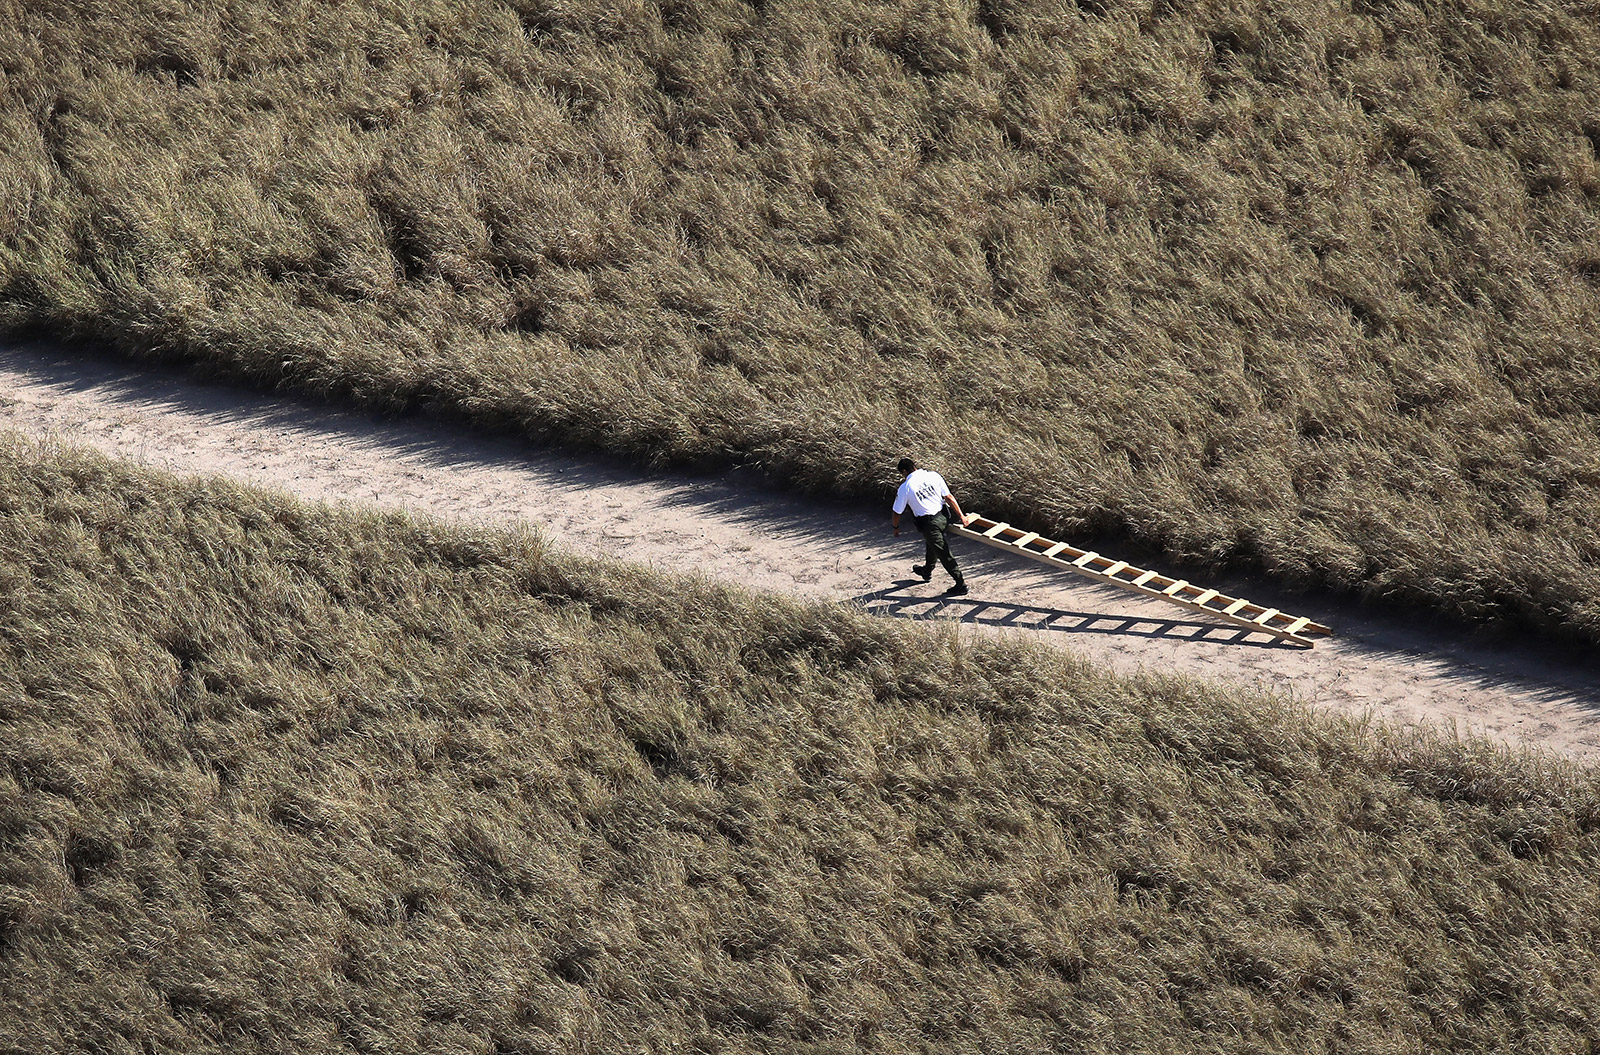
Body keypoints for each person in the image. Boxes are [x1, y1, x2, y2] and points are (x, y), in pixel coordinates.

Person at [891, 457, 968, 596]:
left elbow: (897, 512)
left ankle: (960, 584)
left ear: (903, 471)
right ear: (914, 465)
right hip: (943, 517)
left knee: (943, 553)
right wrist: (961, 516)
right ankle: (926, 571)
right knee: (932, 544)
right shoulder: (933, 475)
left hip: (929, 523)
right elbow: (949, 497)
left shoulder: (905, 488)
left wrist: (895, 527)